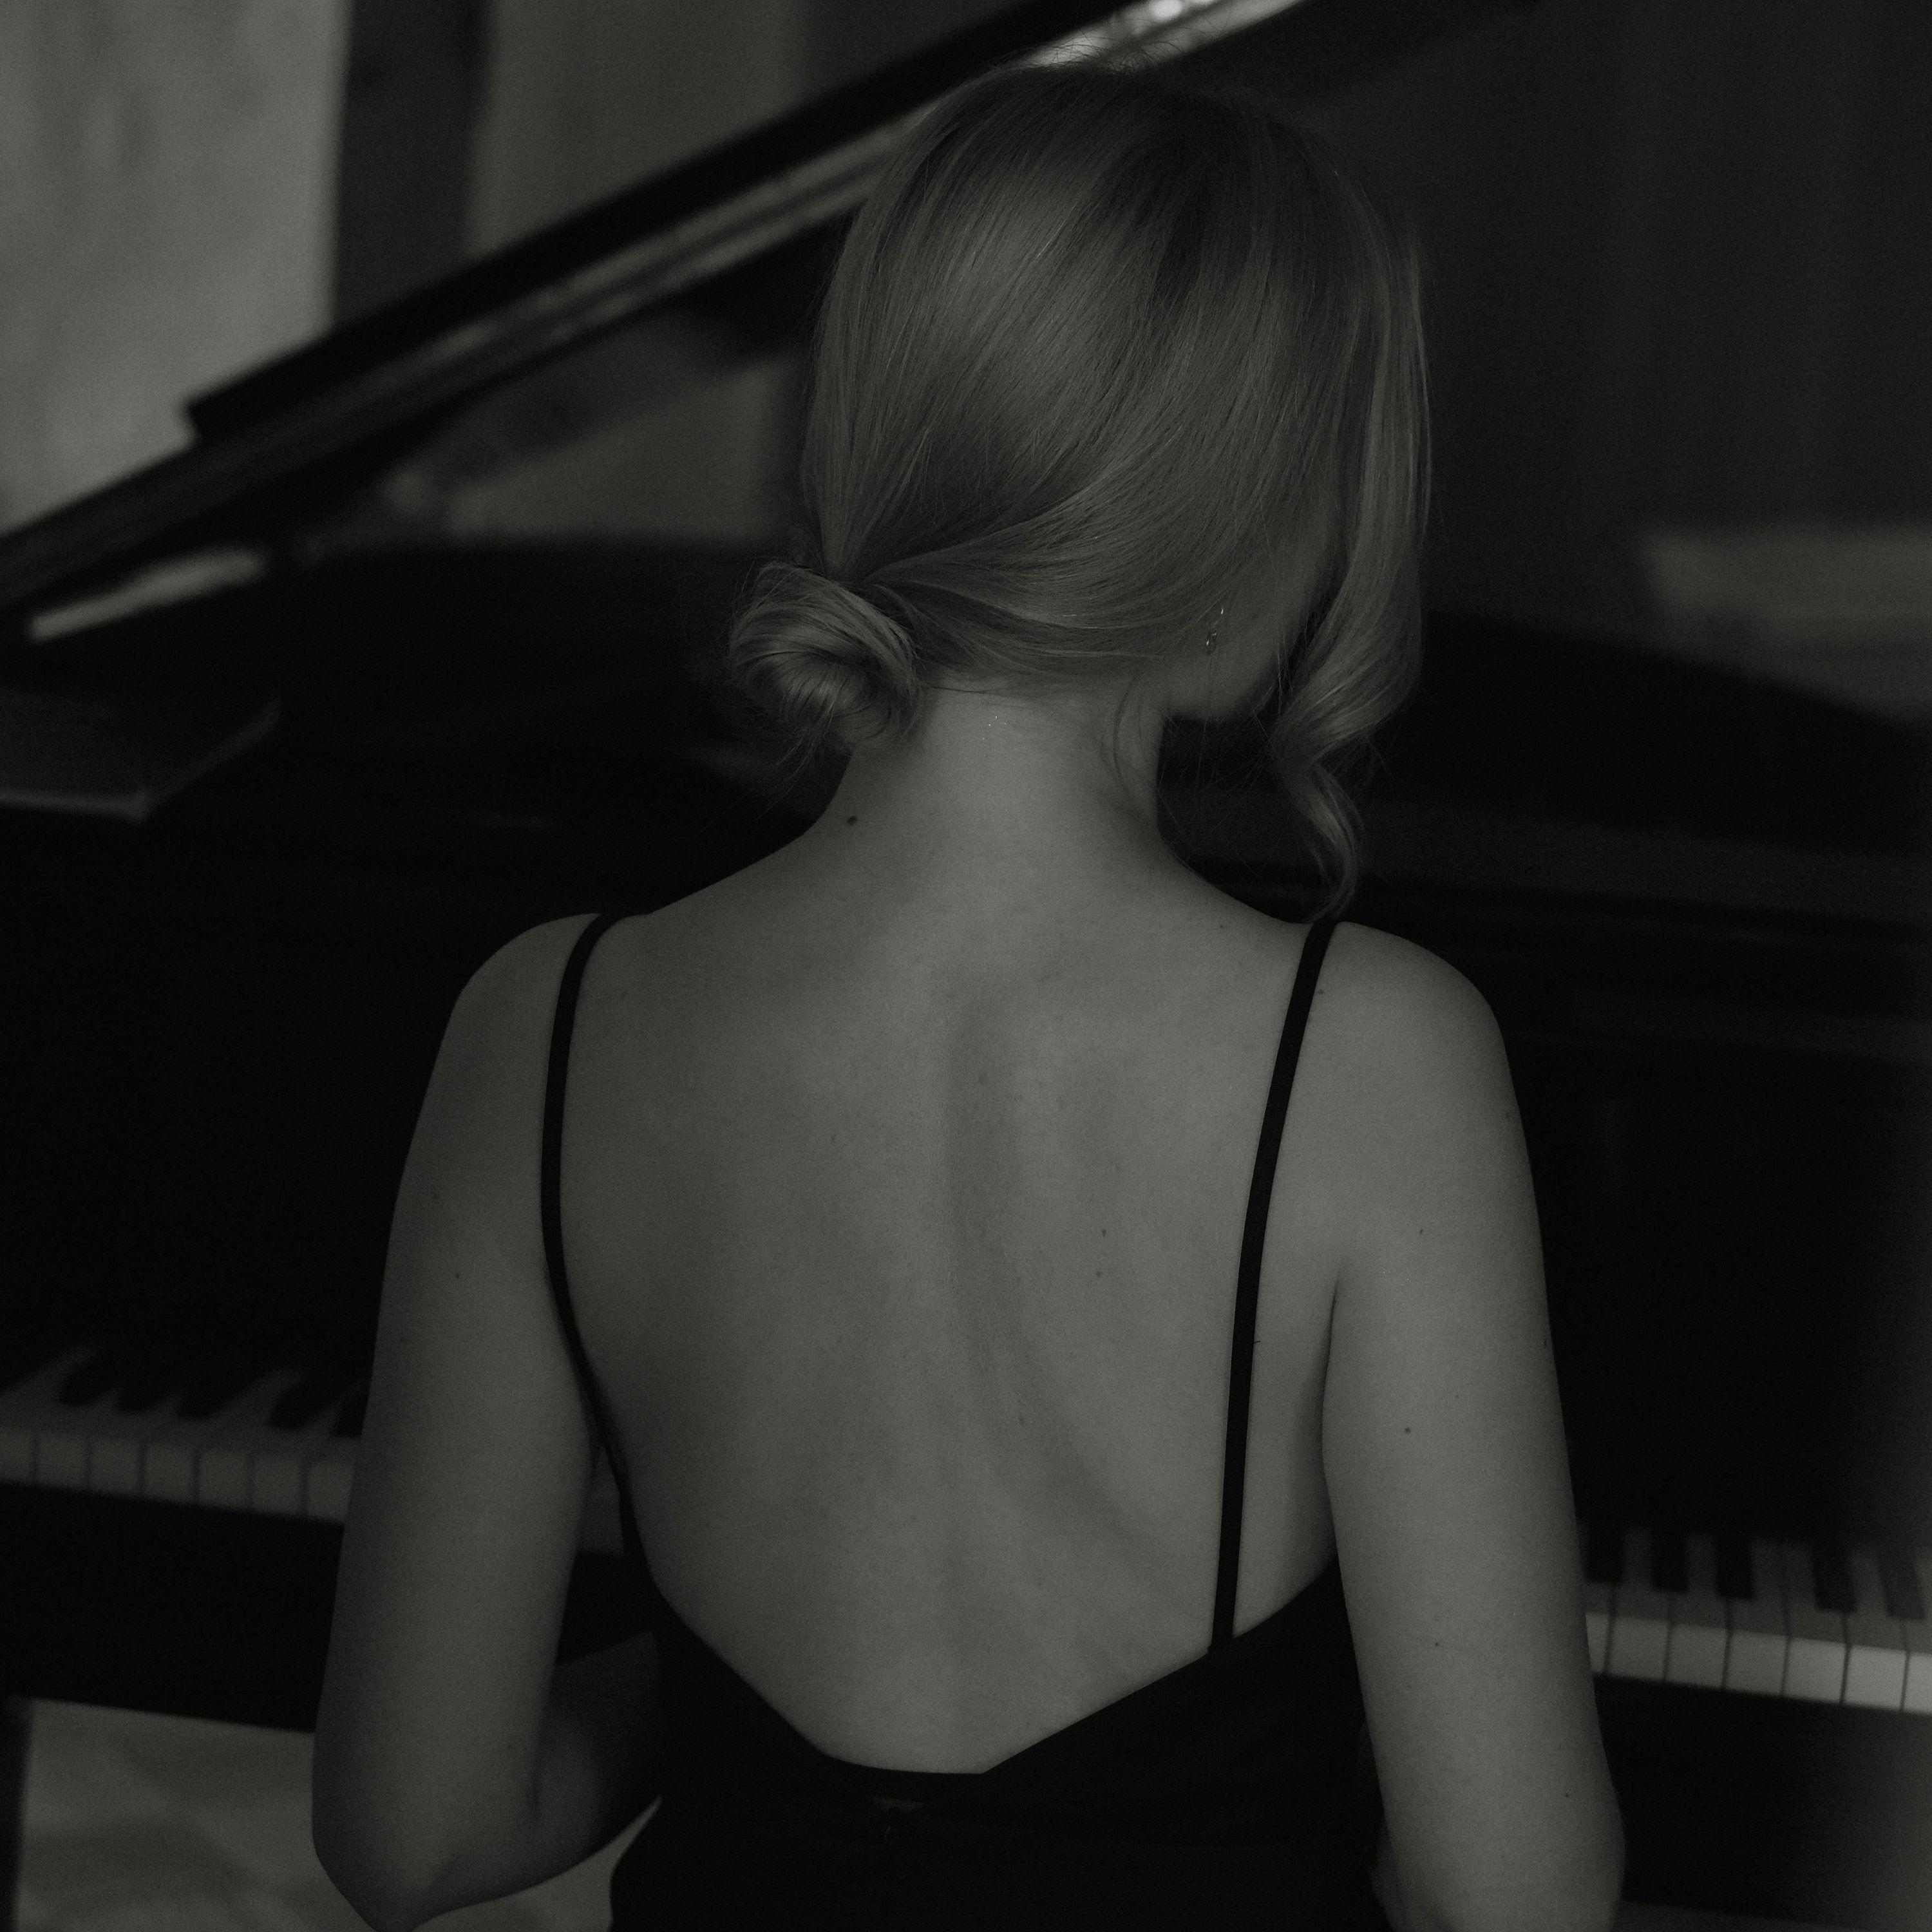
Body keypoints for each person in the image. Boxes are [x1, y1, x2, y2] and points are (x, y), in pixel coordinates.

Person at [311, 55, 1623, 1932]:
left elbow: (412, 1836)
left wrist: (732, 1694)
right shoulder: (1375, 1059)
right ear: (1251, 512)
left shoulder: (546, 1021)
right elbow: (1513, 1899)